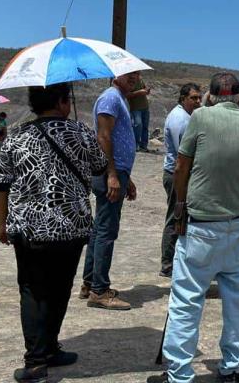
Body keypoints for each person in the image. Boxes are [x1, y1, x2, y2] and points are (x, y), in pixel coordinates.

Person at [0, 82, 107, 383]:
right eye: (67, 99)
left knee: (32, 290)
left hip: (29, 228)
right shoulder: (81, 132)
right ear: (60, 101)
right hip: (72, 226)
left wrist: (2, 223)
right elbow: (100, 167)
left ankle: (37, 361)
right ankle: (48, 350)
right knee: (60, 288)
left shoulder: (16, 137)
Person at [158, 72, 239, 383]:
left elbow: (181, 164)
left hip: (202, 224)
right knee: (235, 300)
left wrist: (179, 209)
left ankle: (179, 372)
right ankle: (232, 367)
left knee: (187, 300)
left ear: (212, 95)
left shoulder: (200, 117)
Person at [80, 73, 140, 310]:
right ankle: (100, 290)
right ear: (117, 75)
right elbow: (104, 136)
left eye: (137, 74)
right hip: (109, 174)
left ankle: (90, 283)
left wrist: (127, 177)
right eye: (130, 74)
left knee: (99, 229)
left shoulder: (117, 98)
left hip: (117, 171)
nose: (135, 78)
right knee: (106, 230)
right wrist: (113, 174)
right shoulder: (110, 99)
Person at [159, 82, 202, 278]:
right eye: (193, 98)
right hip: (177, 174)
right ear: (183, 98)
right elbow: (182, 154)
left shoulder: (186, 117)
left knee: (180, 214)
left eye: (199, 98)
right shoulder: (181, 120)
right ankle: (168, 263)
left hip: (179, 172)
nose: (197, 101)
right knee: (175, 215)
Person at [128, 73, 151, 152]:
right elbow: (128, 95)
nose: (138, 74)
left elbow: (144, 88)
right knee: (138, 125)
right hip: (135, 107)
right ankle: (136, 144)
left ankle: (144, 145)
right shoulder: (129, 81)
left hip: (145, 106)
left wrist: (146, 91)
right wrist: (139, 92)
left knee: (145, 127)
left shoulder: (141, 80)